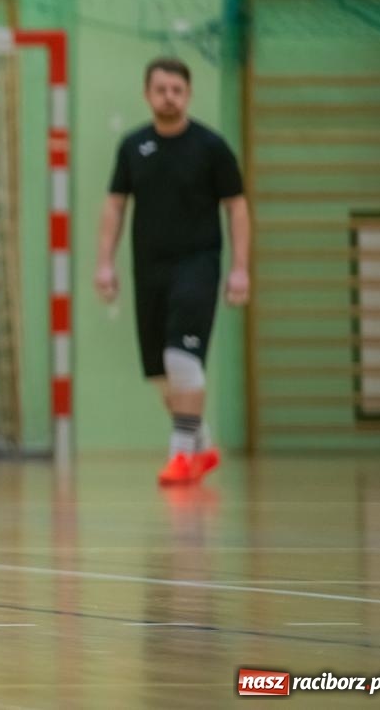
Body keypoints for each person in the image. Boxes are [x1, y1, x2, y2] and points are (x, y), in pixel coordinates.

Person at [95, 57, 250, 486]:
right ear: (147, 94)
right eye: (161, 89)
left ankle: (180, 456)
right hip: (149, 268)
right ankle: (202, 445)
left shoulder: (211, 147)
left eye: (177, 89)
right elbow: (114, 205)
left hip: (198, 264)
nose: (169, 96)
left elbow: (236, 206)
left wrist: (240, 268)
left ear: (189, 94)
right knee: (164, 375)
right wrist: (104, 263)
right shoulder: (133, 147)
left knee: (182, 357)